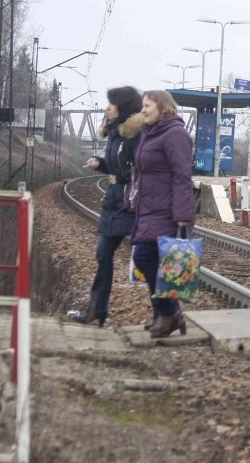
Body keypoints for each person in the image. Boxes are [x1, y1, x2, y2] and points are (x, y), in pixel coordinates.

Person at [73, 86, 144, 327]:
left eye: (111, 103)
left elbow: (141, 168)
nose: (107, 107)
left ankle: (166, 312)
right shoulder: (114, 133)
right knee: (103, 254)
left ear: (122, 107)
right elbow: (115, 165)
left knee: (147, 258)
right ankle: (96, 310)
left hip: (131, 203)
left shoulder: (135, 136)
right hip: (113, 200)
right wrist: (100, 163)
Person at [129, 90, 195, 338]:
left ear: (162, 107)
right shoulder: (150, 132)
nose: (143, 110)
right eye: (142, 106)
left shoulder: (175, 134)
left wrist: (182, 215)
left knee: (148, 259)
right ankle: (164, 314)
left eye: (147, 106)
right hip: (149, 208)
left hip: (167, 210)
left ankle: (169, 314)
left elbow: (182, 176)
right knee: (152, 261)